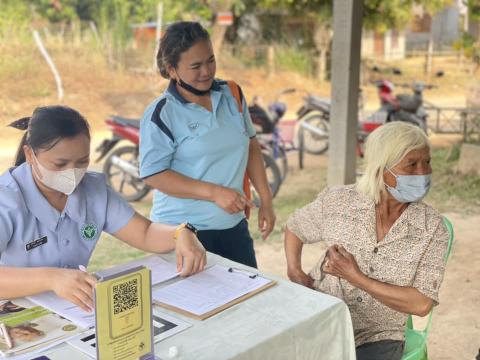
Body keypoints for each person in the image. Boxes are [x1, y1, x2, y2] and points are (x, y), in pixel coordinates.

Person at [0, 105, 206, 313]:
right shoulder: (6, 200)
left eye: (82, 161)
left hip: (75, 312)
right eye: (60, 164)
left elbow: (145, 233)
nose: (72, 172)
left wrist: (181, 232)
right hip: (16, 318)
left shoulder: (93, 190)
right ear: (30, 154)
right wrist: (52, 278)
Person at [284, 122, 450, 360]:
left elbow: (421, 303)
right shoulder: (340, 201)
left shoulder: (431, 227)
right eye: (412, 164)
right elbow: (295, 226)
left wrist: (356, 277)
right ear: (382, 169)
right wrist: (294, 270)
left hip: (378, 335)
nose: (423, 173)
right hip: (321, 314)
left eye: (427, 162)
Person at [139, 21, 275, 268]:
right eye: (195, 66)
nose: (207, 71)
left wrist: (266, 199)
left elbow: (251, 145)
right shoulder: (162, 113)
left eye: (210, 60)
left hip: (233, 227)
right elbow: (154, 174)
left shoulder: (232, 94)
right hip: (183, 234)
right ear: (172, 70)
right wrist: (214, 192)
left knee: (246, 303)